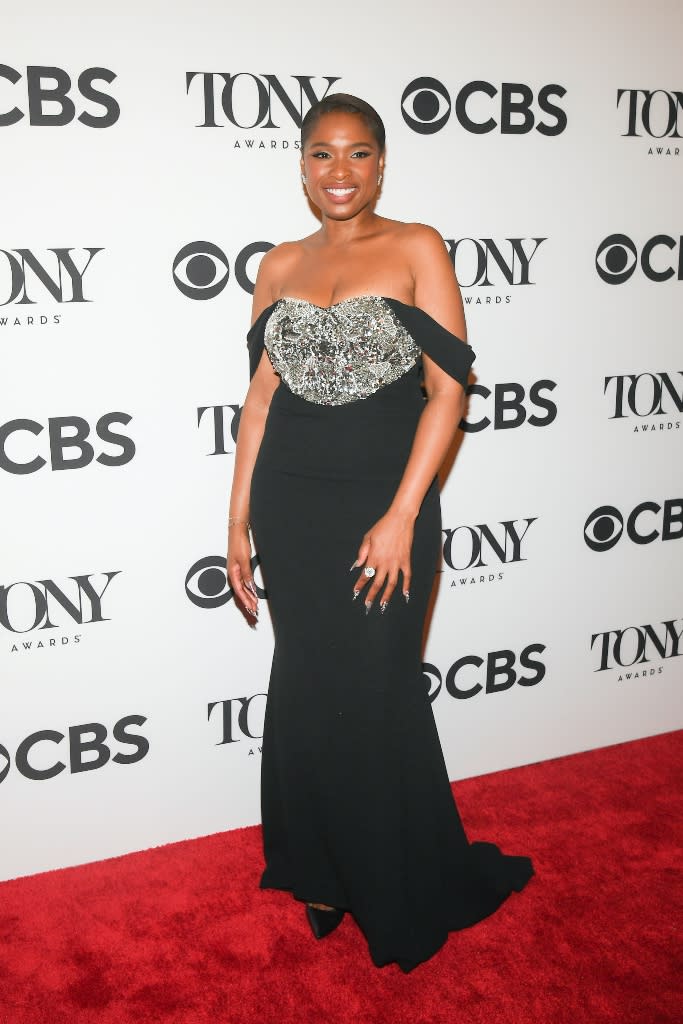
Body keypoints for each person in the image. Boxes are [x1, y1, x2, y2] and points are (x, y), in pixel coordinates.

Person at [226, 93, 534, 973]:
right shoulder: (279, 264)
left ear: (382, 163)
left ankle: (394, 877)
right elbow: (258, 402)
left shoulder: (414, 245)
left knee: (373, 689)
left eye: (358, 154)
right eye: (321, 154)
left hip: (382, 500)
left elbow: (449, 392)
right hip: (290, 503)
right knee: (311, 687)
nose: (339, 171)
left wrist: (402, 515)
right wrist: (238, 519)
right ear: (300, 164)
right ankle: (323, 870)